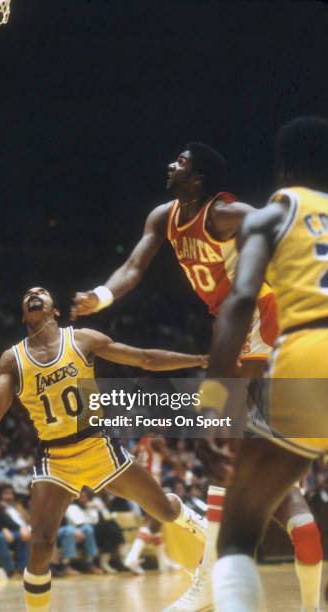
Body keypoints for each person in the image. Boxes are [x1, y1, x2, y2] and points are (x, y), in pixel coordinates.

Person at [71, 143, 321, 611]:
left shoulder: (223, 213)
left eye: (181, 162)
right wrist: (100, 297)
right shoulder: (164, 215)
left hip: (262, 317)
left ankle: (209, 583)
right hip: (242, 322)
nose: (170, 165)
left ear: (199, 178)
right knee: (245, 453)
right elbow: (132, 267)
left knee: (220, 438)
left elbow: (268, 221)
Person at [0, 286, 208, 612]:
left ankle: (203, 528)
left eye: (42, 292)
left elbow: (145, 358)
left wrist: (200, 358)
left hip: (98, 445)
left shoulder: (81, 339)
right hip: (55, 457)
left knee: (163, 509)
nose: (34, 293)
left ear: (55, 311)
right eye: (27, 296)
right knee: (40, 545)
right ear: (24, 315)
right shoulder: (13, 358)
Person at [199, 115, 328, 611]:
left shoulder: (273, 213)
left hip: (310, 352)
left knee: (240, 523)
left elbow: (238, 302)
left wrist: (214, 401)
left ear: (281, 169)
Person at [124, 437, 183, 574]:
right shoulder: (157, 441)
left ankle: (164, 561)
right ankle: (132, 557)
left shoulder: (141, 443)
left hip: (139, 483)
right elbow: (172, 462)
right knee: (152, 522)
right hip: (151, 484)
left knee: (156, 524)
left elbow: (132, 456)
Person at [0, 486, 29, 577]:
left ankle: (22, 568)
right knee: (0, 537)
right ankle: (10, 571)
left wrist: (21, 529)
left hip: (0, 536)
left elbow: (8, 521)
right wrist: (2, 529)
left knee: (21, 536)